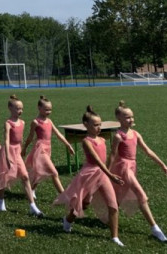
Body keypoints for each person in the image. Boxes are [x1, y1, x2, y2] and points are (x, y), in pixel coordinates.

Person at [54, 106, 125, 247]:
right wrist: (110, 175)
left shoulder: (103, 140)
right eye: (95, 125)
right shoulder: (86, 141)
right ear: (86, 125)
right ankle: (68, 220)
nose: (99, 127)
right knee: (84, 204)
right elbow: (97, 161)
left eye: (100, 124)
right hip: (90, 174)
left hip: (103, 175)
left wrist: (110, 172)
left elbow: (108, 158)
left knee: (113, 206)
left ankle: (114, 237)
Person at [109, 101, 167, 242]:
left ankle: (108, 215)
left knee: (118, 197)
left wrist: (162, 165)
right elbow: (113, 155)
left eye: (132, 117)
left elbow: (147, 150)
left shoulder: (136, 134)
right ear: (118, 119)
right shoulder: (118, 136)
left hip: (132, 166)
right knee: (141, 195)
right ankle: (155, 228)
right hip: (123, 167)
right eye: (127, 117)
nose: (131, 119)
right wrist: (107, 172)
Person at [0, 95, 43, 216]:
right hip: (8, 151)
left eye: (21, 108)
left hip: (17, 152)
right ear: (10, 108)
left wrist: (22, 150)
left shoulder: (22, 122)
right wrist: (7, 156)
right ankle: (0, 200)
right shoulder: (8, 123)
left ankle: (33, 206)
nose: (20, 111)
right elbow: (6, 140)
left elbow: (20, 139)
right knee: (4, 177)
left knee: (25, 177)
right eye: (17, 108)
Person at [22, 96, 75, 197]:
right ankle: (64, 196)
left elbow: (58, 134)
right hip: (40, 149)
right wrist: (24, 148)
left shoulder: (49, 121)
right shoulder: (36, 122)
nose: (49, 111)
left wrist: (68, 145)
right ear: (39, 108)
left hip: (48, 148)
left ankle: (31, 189)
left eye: (50, 109)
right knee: (54, 173)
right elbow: (30, 136)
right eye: (46, 109)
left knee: (39, 170)